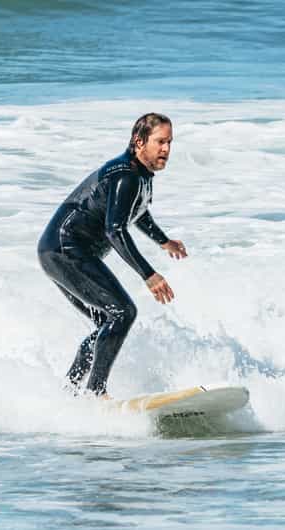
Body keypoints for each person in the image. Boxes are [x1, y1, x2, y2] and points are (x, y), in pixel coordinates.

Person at [37, 113, 187, 397]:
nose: (166, 149)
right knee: (122, 313)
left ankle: (68, 394)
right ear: (139, 141)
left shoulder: (140, 176)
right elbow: (115, 230)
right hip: (64, 250)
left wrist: (164, 241)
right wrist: (149, 275)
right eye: (160, 142)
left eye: (169, 142)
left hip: (58, 252)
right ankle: (96, 392)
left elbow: (137, 213)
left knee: (109, 323)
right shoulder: (125, 176)